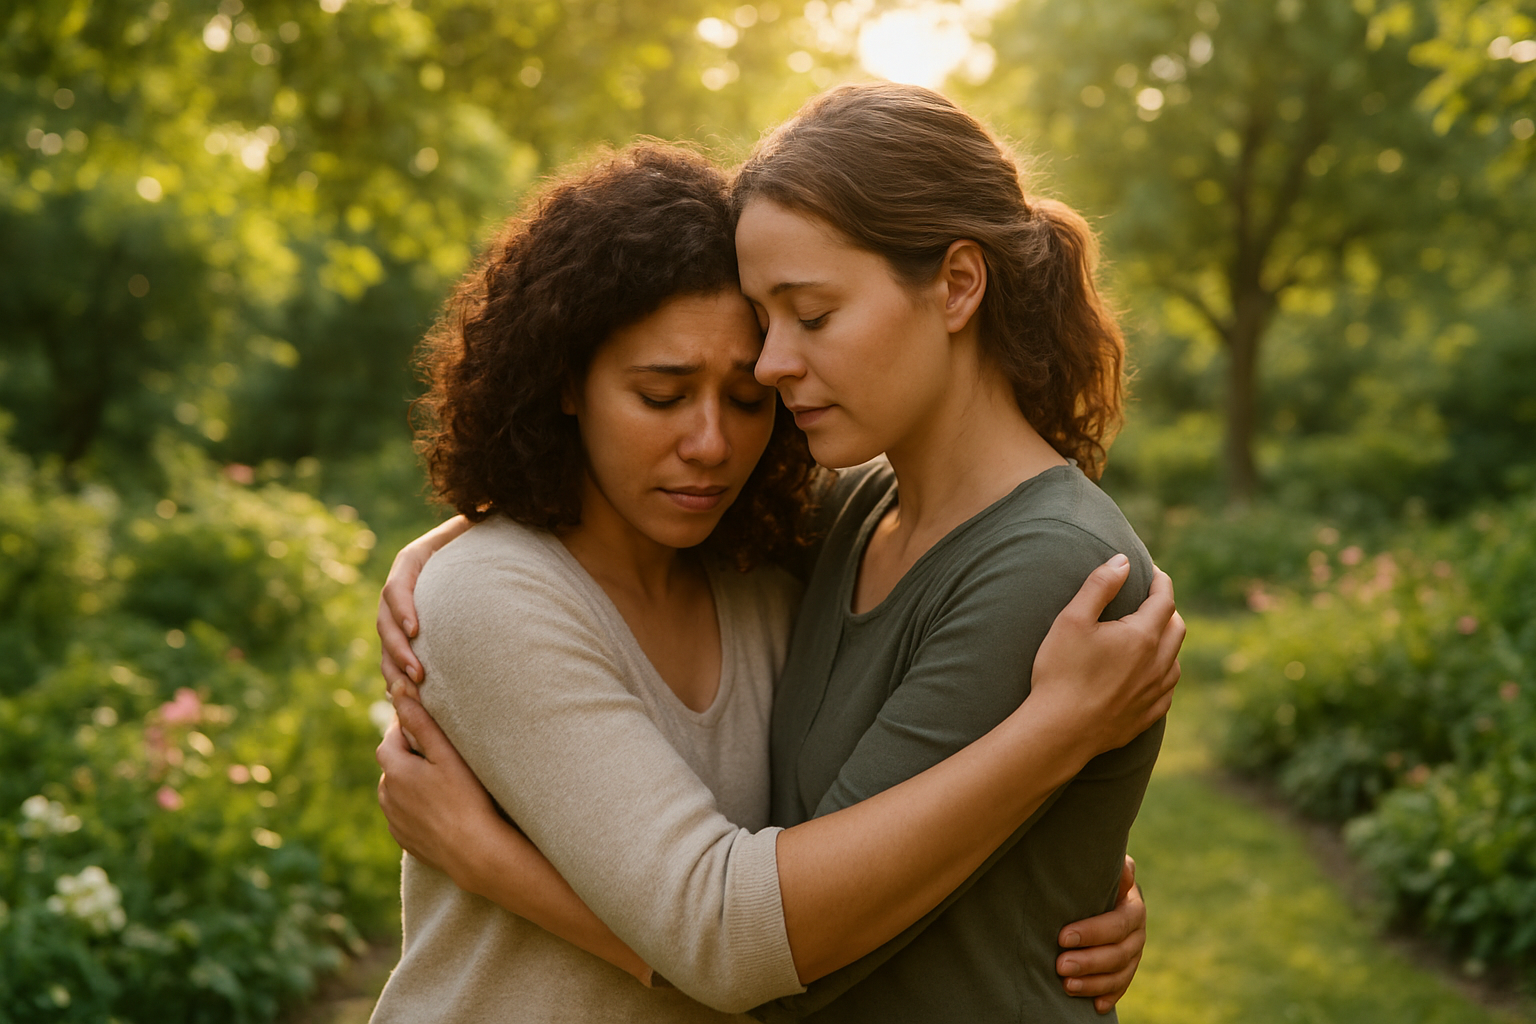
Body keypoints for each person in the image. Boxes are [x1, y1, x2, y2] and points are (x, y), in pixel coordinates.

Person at [372, 113, 1178, 1023]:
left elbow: (772, 964)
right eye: (662, 393)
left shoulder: (1037, 569)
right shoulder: (850, 520)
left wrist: (489, 859)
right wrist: (458, 547)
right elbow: (541, 569)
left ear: (958, 286)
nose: (775, 367)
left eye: (812, 318)